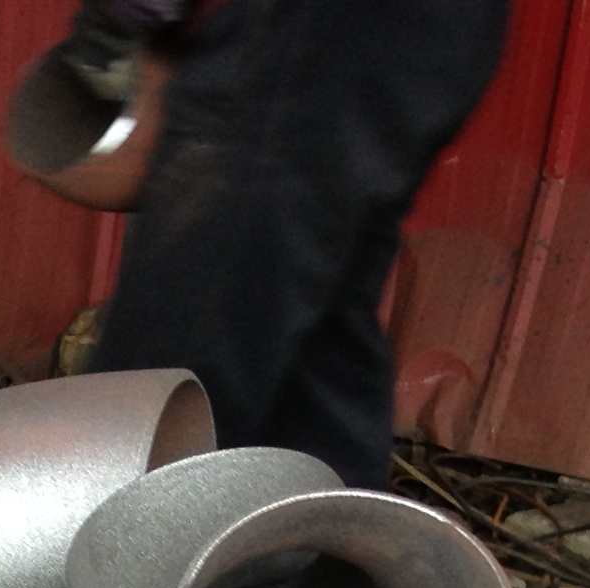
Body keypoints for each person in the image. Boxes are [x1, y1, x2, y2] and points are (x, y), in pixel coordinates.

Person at [51, 0, 514, 487]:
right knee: (313, 370)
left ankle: (108, 529)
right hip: (429, 31)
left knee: (162, 392)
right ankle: (331, 535)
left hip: (312, 34)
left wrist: (111, 27)